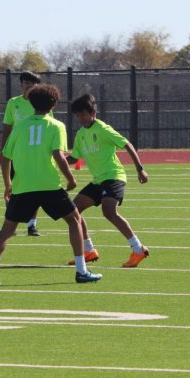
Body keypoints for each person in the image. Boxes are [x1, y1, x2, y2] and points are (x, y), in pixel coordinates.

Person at [0, 83, 102, 285]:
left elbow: (4, 158)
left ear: (31, 103)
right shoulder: (57, 126)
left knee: (7, 230)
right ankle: (81, 270)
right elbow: (58, 155)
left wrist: (7, 184)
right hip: (49, 185)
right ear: (54, 105)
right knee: (74, 221)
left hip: (23, 186)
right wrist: (71, 179)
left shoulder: (20, 126)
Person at [67, 93, 150, 268]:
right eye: (77, 115)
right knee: (73, 211)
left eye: (83, 114)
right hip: (98, 180)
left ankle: (138, 249)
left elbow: (126, 144)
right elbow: (74, 158)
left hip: (113, 176)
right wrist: (55, 159)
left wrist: (140, 169)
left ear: (93, 113)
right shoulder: (81, 134)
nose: (80, 118)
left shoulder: (103, 129)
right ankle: (89, 250)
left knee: (109, 212)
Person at [0, 71, 43, 236]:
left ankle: (32, 225)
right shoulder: (13, 103)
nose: (29, 85)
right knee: (12, 188)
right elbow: (7, 127)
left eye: (32, 83)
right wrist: (4, 150)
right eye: (26, 82)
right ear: (21, 84)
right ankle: (11, 223)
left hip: (35, 154)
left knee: (35, 190)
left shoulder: (41, 103)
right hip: (16, 153)